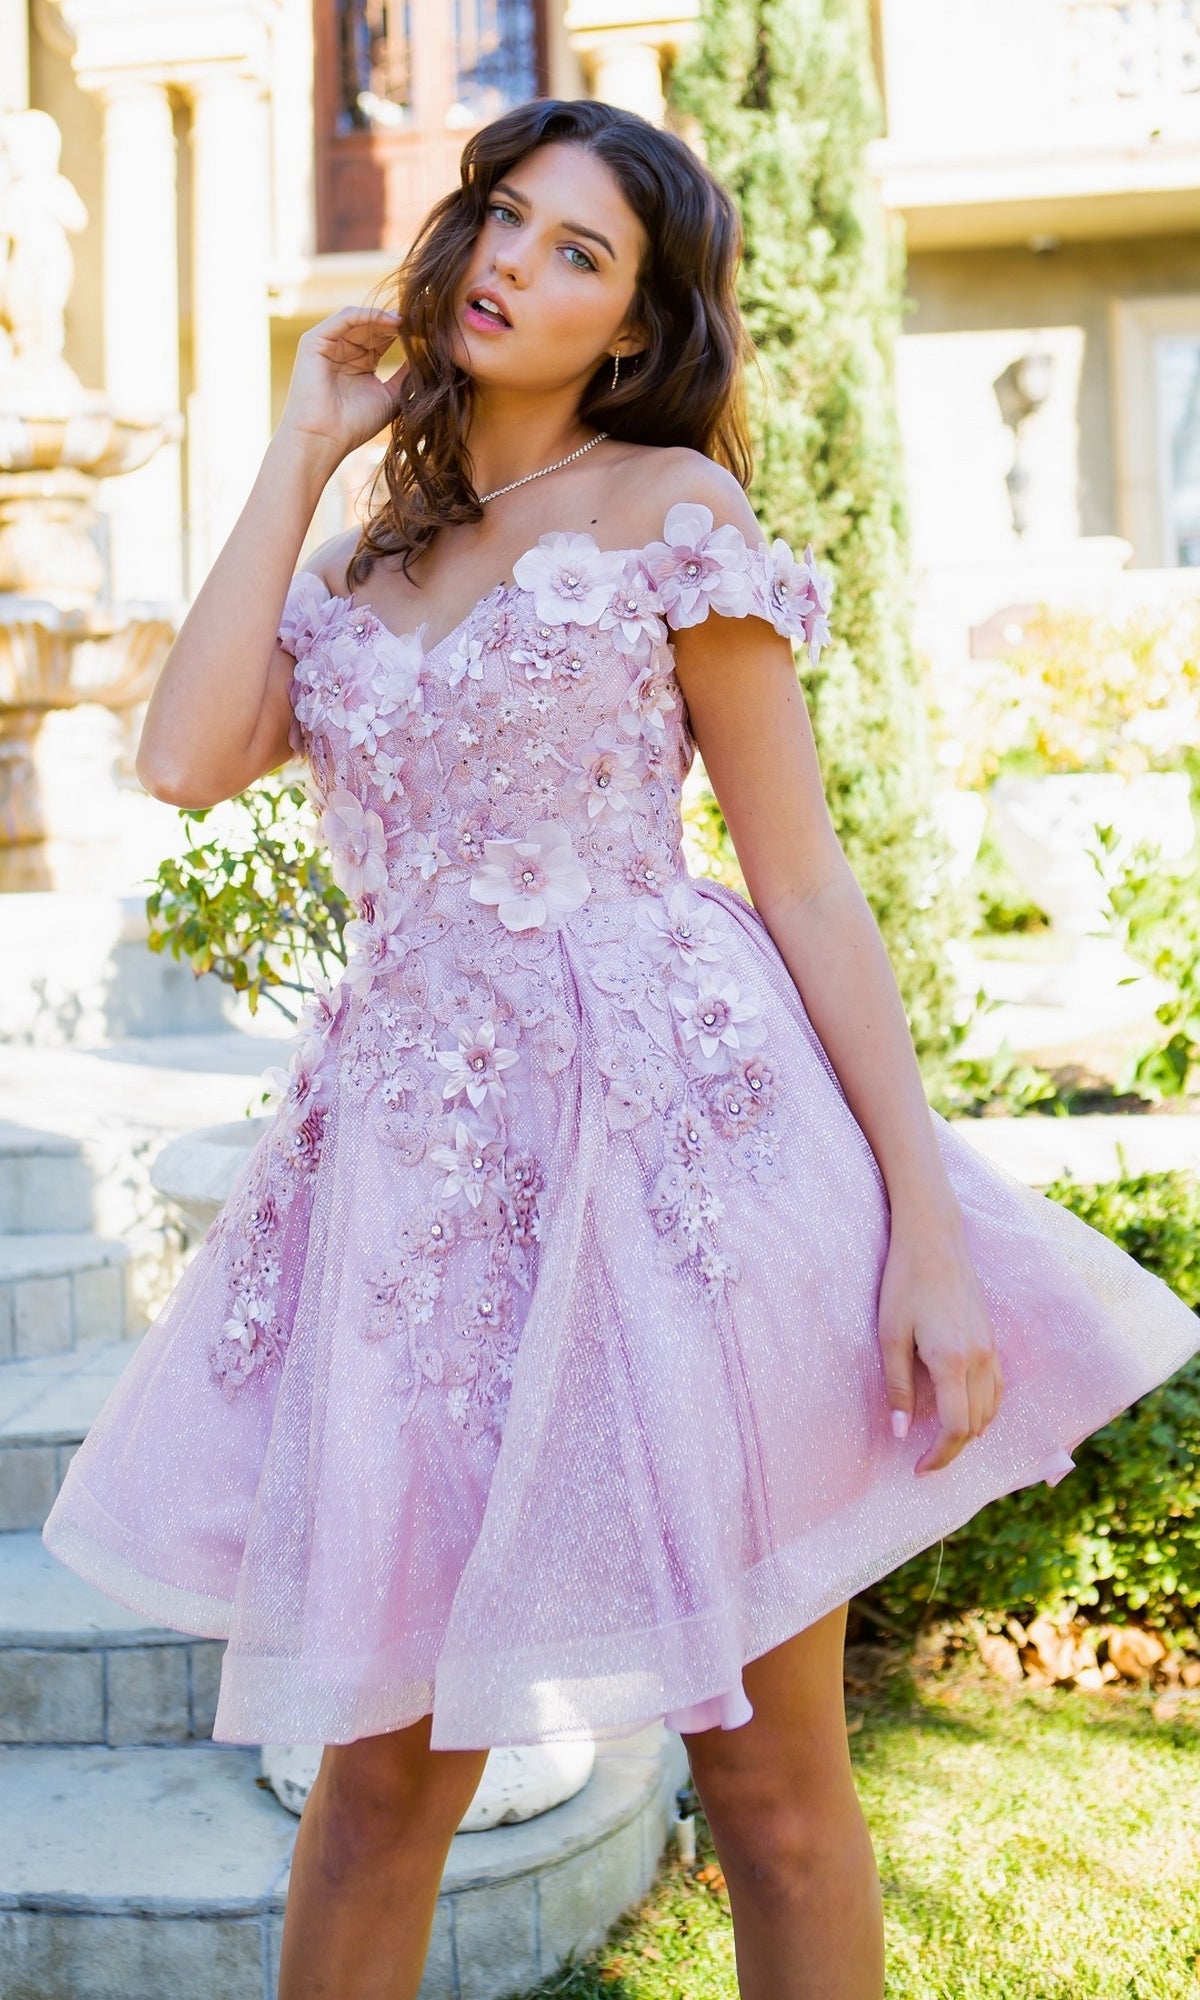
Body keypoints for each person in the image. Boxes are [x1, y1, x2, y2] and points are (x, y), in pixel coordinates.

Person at [40, 98, 1200, 2000]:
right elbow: (178, 761)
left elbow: (806, 887)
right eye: (504, 219)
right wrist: (304, 443)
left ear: (639, 327)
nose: (512, 263)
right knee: (381, 1784)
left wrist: (924, 1229)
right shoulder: (366, 545)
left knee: (774, 1782)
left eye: (580, 252)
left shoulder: (672, 514)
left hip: (683, 1169)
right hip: (417, 1205)